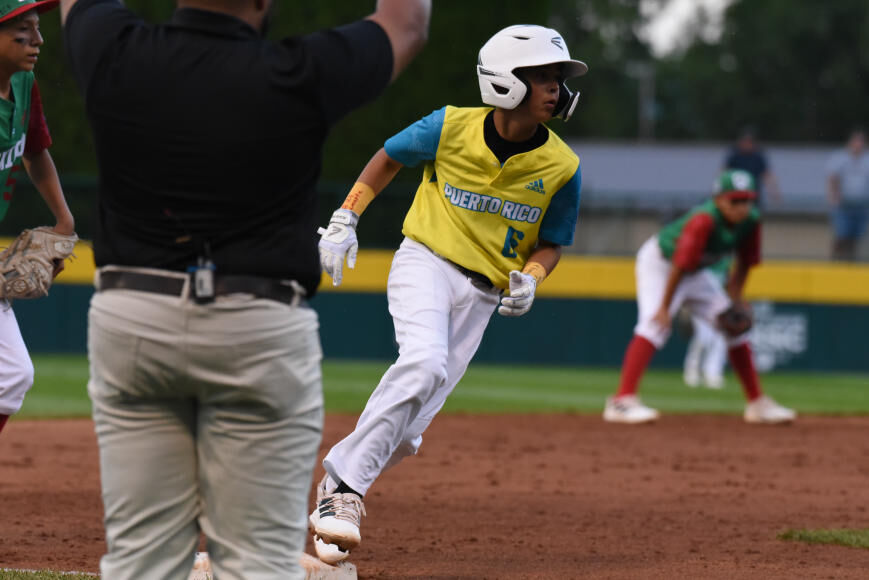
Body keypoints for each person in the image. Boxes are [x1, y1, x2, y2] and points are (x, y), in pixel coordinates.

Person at [59, 0, 430, 578]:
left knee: (141, 558)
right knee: (258, 558)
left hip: (134, 316)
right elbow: (405, 22)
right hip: (257, 325)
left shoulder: (115, 48)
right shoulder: (299, 70)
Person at [308, 24, 586, 565]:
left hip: (483, 295)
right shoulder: (450, 126)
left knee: (408, 435)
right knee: (425, 362)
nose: (555, 88)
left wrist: (533, 276)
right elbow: (388, 156)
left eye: (558, 78)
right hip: (425, 262)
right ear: (505, 81)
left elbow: (552, 243)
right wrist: (347, 215)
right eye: (541, 77)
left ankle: (336, 487)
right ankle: (343, 490)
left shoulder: (563, 167)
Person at [603, 169, 795, 425]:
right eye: (734, 200)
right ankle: (621, 401)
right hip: (661, 264)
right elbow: (680, 266)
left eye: (747, 200)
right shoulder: (703, 220)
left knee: (734, 324)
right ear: (718, 199)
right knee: (653, 324)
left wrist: (736, 298)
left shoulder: (751, 222)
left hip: (695, 273)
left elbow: (745, 263)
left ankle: (757, 403)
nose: (742, 207)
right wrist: (664, 307)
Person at [0, 0, 75, 439]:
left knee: (12, 375)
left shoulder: (24, 84)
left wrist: (64, 224)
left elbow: (35, 150)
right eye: (23, 30)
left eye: (38, 29)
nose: (38, 41)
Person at [682, 257, 730, 389]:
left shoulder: (725, 261)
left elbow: (727, 282)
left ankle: (713, 373)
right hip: (701, 304)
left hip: (719, 304)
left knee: (720, 339)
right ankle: (692, 371)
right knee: (703, 338)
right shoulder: (704, 258)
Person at [826, 128, 869, 261]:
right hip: (843, 204)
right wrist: (834, 197)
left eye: (861, 142)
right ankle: (836, 259)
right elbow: (833, 178)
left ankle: (850, 262)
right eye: (856, 142)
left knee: (855, 237)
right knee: (842, 235)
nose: (858, 145)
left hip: (862, 204)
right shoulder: (840, 158)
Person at [723, 126, 781, 210]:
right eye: (745, 141)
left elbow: (766, 175)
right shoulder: (735, 156)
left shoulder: (758, 157)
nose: (747, 144)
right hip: (736, 194)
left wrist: (774, 192)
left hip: (753, 194)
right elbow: (724, 173)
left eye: (749, 141)